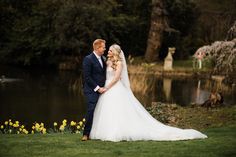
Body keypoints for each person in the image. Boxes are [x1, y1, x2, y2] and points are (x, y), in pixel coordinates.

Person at [89, 44, 207, 142]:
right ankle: (104, 131)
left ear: (115, 52)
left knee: (118, 111)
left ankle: (116, 132)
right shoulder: (107, 61)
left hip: (113, 88)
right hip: (106, 88)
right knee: (107, 110)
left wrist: (106, 87)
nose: (107, 51)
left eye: (110, 50)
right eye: (108, 49)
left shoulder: (119, 63)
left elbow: (116, 78)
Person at [81, 39, 107, 141]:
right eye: (103, 47)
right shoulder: (88, 59)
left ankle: (99, 132)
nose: (105, 49)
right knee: (91, 110)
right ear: (97, 48)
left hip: (103, 89)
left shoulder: (104, 58)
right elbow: (87, 77)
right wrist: (97, 88)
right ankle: (86, 134)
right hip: (91, 90)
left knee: (102, 110)